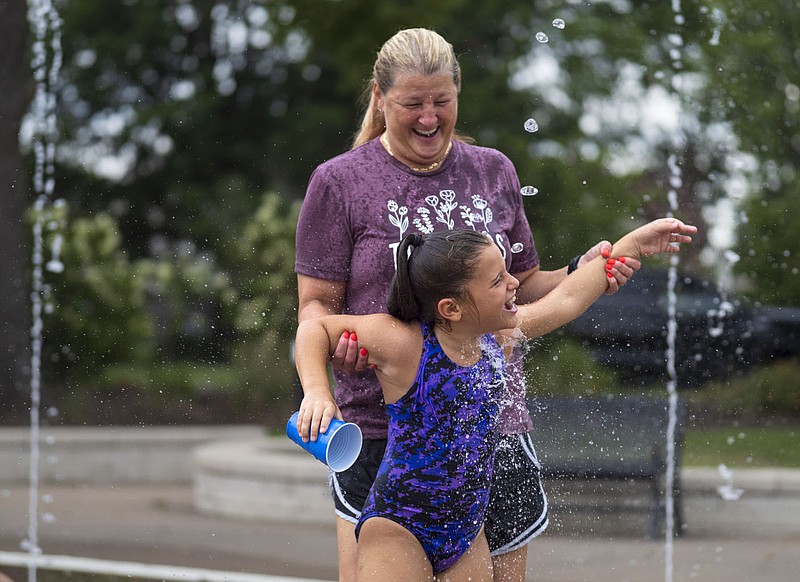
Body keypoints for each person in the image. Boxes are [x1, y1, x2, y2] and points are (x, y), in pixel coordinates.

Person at [294, 27, 641, 581]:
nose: (429, 117)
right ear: (381, 99)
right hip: (379, 427)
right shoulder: (340, 182)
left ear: (458, 93)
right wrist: (325, 375)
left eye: (442, 101)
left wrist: (589, 269)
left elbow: (523, 287)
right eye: (412, 104)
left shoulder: (493, 170)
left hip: (491, 429)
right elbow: (315, 311)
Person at [295, 220, 697, 581]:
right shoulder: (405, 343)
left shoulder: (497, 339)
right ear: (451, 308)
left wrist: (631, 246)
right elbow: (315, 331)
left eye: (506, 272)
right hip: (399, 527)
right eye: (496, 281)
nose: (514, 284)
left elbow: (568, 300)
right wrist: (317, 391)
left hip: (466, 534)